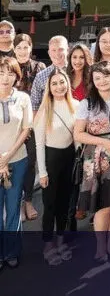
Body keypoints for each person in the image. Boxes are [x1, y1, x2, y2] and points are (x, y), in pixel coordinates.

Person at [73, 62, 110, 262]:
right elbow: (78, 134)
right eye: (97, 77)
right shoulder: (87, 103)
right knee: (103, 203)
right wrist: (104, 141)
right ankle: (101, 246)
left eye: (106, 76)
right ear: (92, 81)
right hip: (97, 157)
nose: (103, 81)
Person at [34, 68, 77, 265]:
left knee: (65, 205)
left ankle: (61, 240)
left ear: (67, 84)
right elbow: (39, 144)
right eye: (54, 84)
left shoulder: (76, 106)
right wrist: (42, 172)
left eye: (62, 82)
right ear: (49, 88)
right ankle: (48, 244)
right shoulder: (44, 111)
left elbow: (77, 138)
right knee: (49, 206)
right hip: (51, 160)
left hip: (70, 159)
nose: (59, 87)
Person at [0, 57, 32, 268]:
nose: (6, 77)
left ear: (17, 77)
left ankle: (11, 252)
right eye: (2, 72)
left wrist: (7, 156)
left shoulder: (23, 98)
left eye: (11, 73)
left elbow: (26, 129)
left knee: (13, 208)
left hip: (17, 159)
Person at [13, 33, 44, 222]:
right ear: (14, 49)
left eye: (26, 47)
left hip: (33, 124)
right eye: (19, 48)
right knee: (15, 163)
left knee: (30, 162)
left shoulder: (39, 68)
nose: (23, 51)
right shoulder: (9, 66)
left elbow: (43, 96)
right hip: (13, 124)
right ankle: (16, 202)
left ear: (31, 48)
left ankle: (28, 201)